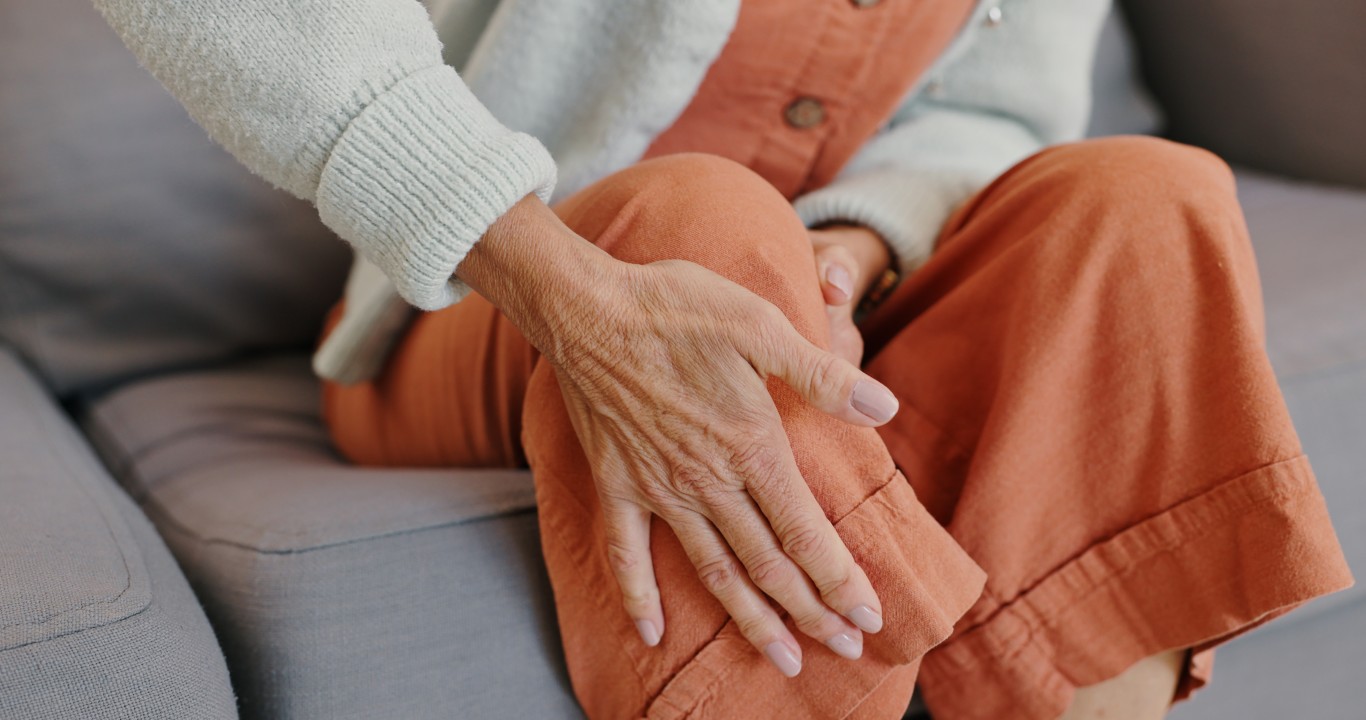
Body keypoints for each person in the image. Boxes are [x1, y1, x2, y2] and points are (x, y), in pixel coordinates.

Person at [96, 0, 1353, 717]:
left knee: (1143, 199)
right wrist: (550, 268)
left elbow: (996, 114)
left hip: (829, 301)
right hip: (491, 299)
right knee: (701, 217)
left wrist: (850, 251)